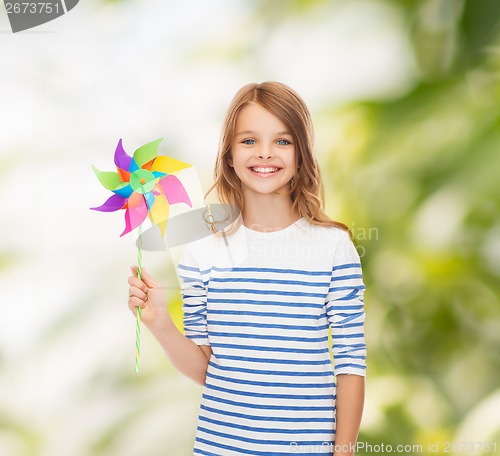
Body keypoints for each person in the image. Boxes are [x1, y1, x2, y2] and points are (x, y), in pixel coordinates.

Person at [128, 81, 366, 455]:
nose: (265, 153)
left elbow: (351, 363)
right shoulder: (202, 252)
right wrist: (159, 322)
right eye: (249, 141)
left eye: (283, 141)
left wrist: (343, 451)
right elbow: (206, 369)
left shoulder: (333, 247)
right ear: (229, 156)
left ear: (302, 154)